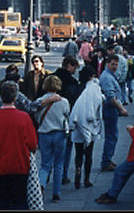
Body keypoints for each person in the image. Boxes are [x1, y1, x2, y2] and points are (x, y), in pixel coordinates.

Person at [0, 80, 38, 210]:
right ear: (15, 97)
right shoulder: (24, 117)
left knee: (2, 203)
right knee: (20, 200)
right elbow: (32, 143)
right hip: (20, 164)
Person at [35, 75, 71, 202]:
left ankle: (41, 185)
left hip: (44, 133)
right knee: (59, 164)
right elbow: (67, 115)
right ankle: (56, 192)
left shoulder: (40, 100)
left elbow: (35, 115)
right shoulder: (64, 101)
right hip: (59, 134)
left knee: (45, 164)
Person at [69, 65, 102, 189]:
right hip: (90, 124)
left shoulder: (76, 89)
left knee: (78, 152)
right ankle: (86, 178)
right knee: (89, 153)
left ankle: (78, 169)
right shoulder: (93, 89)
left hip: (77, 123)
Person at [53, 55, 80, 184]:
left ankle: (45, 176)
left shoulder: (50, 78)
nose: (75, 71)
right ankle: (63, 175)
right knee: (66, 149)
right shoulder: (72, 83)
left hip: (49, 120)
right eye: (74, 67)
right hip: (65, 120)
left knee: (48, 154)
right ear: (69, 65)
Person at [99, 54, 128, 172]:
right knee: (111, 136)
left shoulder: (110, 75)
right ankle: (106, 161)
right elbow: (110, 97)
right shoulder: (106, 77)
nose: (115, 66)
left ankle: (108, 160)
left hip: (111, 110)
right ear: (107, 64)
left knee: (112, 136)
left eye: (116, 64)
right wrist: (121, 108)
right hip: (110, 110)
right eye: (113, 64)